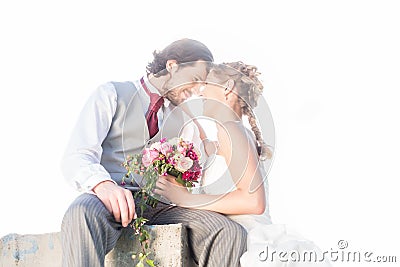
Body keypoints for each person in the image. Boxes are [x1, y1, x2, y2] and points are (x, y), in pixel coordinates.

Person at [60, 39, 247, 267]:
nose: (198, 90)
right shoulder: (111, 94)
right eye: (196, 79)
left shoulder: (185, 119)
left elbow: (198, 171)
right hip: (110, 198)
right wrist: (104, 186)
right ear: (172, 66)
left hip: (162, 207)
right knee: (80, 212)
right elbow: (76, 156)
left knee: (227, 231)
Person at [155, 62, 332, 266]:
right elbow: (209, 149)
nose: (201, 92)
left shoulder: (231, 130)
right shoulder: (231, 135)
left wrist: (186, 200)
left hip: (247, 243)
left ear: (227, 88)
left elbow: (253, 201)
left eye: (207, 84)